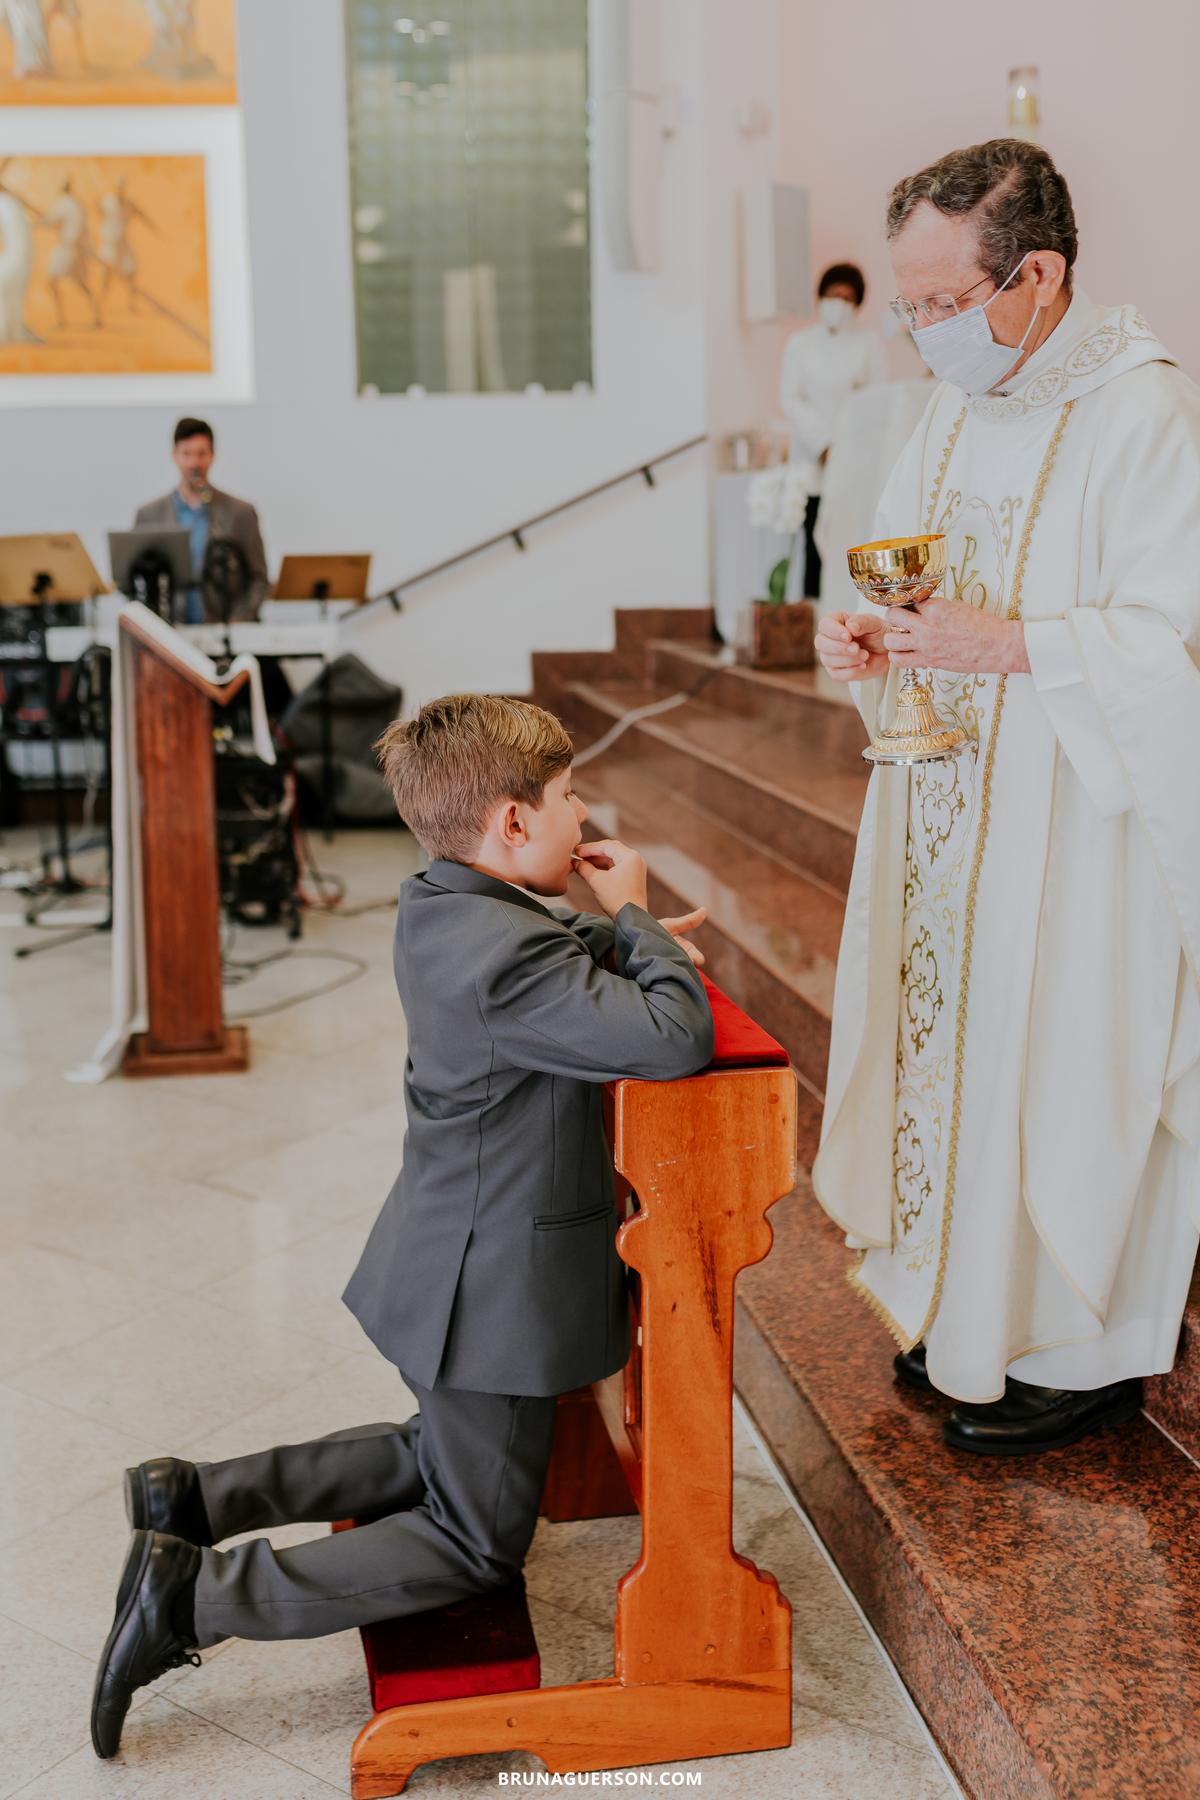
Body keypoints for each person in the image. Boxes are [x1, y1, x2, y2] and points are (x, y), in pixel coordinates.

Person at [90, 695, 714, 1760]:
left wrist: (614, 936)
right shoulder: (508, 956)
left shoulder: (444, 899)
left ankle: (193, 1496)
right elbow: (673, 1037)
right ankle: (190, 1597)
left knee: (440, 1449)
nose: (582, 818)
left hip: (453, 1254)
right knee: (472, 1540)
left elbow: (552, 944)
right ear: (512, 823)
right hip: (492, 1288)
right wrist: (639, 918)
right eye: (569, 799)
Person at [812, 138, 1200, 1456]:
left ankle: (1079, 1350)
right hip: (951, 809)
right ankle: (958, 1312)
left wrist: (1018, 645)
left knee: (1059, 1063)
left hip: (1078, 827)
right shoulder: (955, 405)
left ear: (1038, 275)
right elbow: (904, 581)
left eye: (944, 301)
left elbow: (1175, 650)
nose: (924, 331)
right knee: (956, 1054)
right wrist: (872, 643)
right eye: (911, 303)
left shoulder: (1144, 412)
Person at [780, 262, 888, 599]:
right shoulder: (799, 344)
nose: (838, 303)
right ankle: (813, 611)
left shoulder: (868, 344)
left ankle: (853, 608)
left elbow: (874, 400)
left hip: (853, 457)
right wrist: (823, 444)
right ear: (820, 296)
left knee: (850, 537)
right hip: (812, 461)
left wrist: (844, 446)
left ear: (858, 304)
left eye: (847, 297)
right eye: (833, 294)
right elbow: (792, 399)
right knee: (813, 541)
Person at [134, 417, 268, 622]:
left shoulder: (241, 513)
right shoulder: (149, 515)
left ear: (212, 456)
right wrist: (156, 622)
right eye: (186, 453)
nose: (194, 463)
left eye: (201, 454)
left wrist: (240, 620)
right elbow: (134, 582)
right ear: (174, 455)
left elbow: (259, 579)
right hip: (169, 630)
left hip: (224, 629)